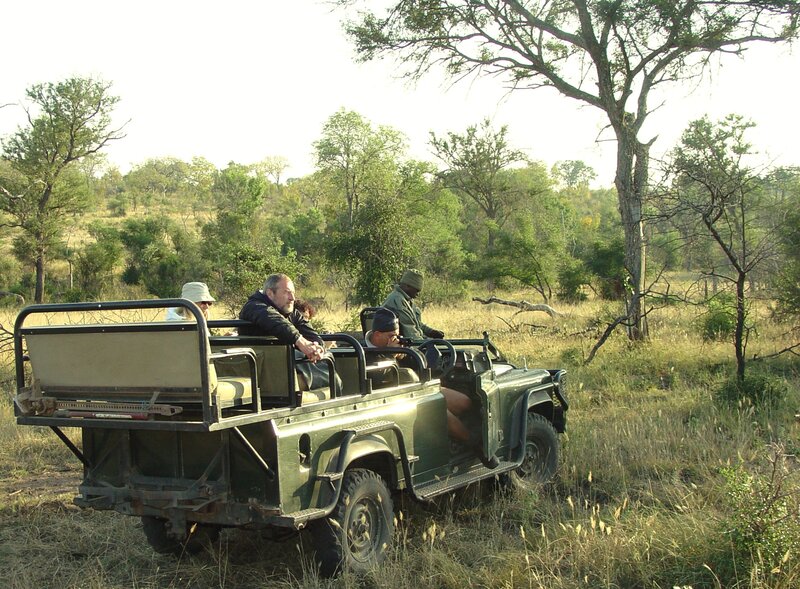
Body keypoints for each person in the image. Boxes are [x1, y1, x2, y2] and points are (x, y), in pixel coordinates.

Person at [366, 307, 478, 451]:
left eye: (396, 335)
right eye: (391, 336)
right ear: (377, 335)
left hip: (416, 387)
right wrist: (391, 355)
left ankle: (454, 438)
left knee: (465, 403)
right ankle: (473, 444)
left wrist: (404, 354)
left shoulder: (392, 346)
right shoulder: (364, 352)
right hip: (393, 396)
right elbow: (377, 378)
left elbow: (419, 366)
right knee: (439, 410)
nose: (395, 339)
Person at [239, 274, 337, 392]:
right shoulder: (254, 307)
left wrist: (318, 348)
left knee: (332, 372)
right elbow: (275, 321)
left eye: (293, 293)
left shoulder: (291, 313)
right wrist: (301, 342)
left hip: (286, 368)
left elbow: (312, 334)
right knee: (330, 377)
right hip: (268, 374)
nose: (292, 298)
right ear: (270, 293)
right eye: (287, 292)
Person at [382, 269, 444, 341]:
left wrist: (431, 332)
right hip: (403, 346)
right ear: (407, 286)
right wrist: (424, 344)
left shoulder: (407, 300)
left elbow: (416, 324)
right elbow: (410, 331)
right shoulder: (397, 300)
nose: (417, 294)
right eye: (416, 290)